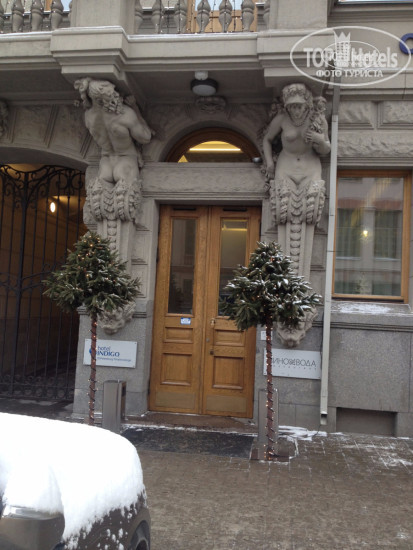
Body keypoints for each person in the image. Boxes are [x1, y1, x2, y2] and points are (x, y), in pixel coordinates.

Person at [74, 78, 152, 187]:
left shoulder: (88, 117)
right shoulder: (125, 115)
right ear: (102, 99)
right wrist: (135, 108)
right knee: (126, 196)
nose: (115, 97)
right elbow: (145, 138)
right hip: (126, 159)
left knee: (99, 196)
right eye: (112, 94)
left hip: (105, 162)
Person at [262, 83, 330, 187]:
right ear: (288, 107)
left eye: (299, 107)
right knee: (282, 195)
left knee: (313, 194)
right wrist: (270, 163)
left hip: (310, 167)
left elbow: (327, 149)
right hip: (285, 167)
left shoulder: (317, 119)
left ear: (306, 105)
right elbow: (267, 139)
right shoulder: (282, 118)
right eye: (293, 107)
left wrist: (319, 140)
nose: (296, 111)